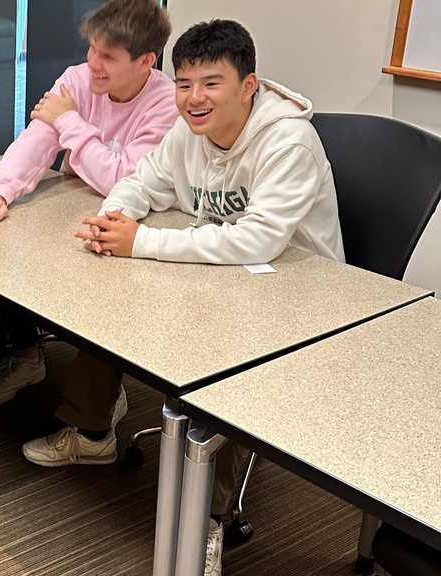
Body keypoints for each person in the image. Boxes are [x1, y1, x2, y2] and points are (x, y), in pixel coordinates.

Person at [38, 20, 345, 575]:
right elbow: (145, 179)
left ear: (249, 85)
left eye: (211, 83)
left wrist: (146, 242)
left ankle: (210, 519)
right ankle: (90, 431)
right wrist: (118, 216)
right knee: (108, 290)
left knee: (229, 377)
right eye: (183, 84)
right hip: (220, 270)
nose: (194, 99)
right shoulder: (191, 130)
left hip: (297, 293)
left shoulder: (289, 141)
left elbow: (259, 239)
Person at [0, 0, 176, 425]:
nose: (92, 64)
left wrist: (71, 123)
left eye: (108, 57)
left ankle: (102, 400)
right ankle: (28, 357)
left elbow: (122, 178)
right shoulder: (77, 81)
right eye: (92, 50)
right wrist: (2, 189)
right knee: (10, 246)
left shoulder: (167, 102)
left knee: (105, 296)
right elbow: (38, 139)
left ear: (146, 62)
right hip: (74, 206)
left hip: (135, 221)